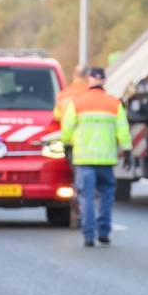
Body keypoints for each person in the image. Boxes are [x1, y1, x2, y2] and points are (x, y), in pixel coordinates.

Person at [60, 67, 132, 247]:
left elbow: (67, 128)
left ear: (89, 80)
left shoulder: (77, 103)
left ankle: (88, 235)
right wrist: (128, 150)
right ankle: (104, 232)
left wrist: (67, 146)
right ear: (104, 81)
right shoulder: (114, 103)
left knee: (86, 198)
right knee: (106, 198)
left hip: (84, 160)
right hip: (106, 160)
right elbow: (123, 130)